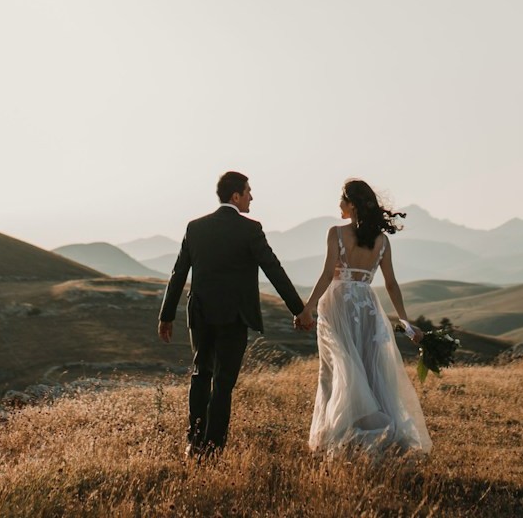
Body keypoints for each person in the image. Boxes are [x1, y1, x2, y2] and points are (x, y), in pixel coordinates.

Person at [157, 171, 310, 456]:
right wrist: (299, 310)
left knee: (201, 374)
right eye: (248, 191)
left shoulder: (195, 227)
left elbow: (178, 273)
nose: (252, 197)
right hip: (234, 317)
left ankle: (194, 441)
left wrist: (166, 315)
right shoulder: (250, 229)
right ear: (235, 196)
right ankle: (213, 447)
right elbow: (273, 269)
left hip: (200, 314)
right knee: (224, 383)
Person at [303, 179, 432, 456]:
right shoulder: (382, 241)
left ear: (352, 205)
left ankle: (339, 434)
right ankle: (375, 434)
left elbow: (327, 274)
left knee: (337, 369)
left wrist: (308, 307)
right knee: (371, 371)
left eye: (341, 199)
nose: (338, 204)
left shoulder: (336, 233)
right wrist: (405, 321)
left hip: (338, 306)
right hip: (367, 307)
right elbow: (391, 284)